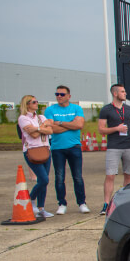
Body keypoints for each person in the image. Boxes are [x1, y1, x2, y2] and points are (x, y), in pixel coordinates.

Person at [44, 85, 89, 215]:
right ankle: (62, 203)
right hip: (57, 148)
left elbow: (79, 125)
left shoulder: (76, 108)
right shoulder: (50, 110)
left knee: (78, 177)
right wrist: (70, 124)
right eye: (57, 94)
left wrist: (61, 123)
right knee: (59, 177)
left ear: (69, 96)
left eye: (62, 94)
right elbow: (52, 129)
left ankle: (82, 203)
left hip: (74, 147)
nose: (59, 96)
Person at [98, 83, 130, 215]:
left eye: (125, 91)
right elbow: (101, 130)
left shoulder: (129, 109)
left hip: (129, 145)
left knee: (128, 174)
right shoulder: (106, 110)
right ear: (115, 93)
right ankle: (106, 204)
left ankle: (125, 202)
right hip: (114, 146)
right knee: (110, 175)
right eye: (123, 91)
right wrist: (116, 129)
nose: (125, 93)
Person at [17, 95, 54, 218]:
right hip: (32, 150)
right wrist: (42, 127)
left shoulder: (41, 117)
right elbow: (31, 135)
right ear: (27, 104)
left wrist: (38, 129)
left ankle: (41, 208)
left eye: (37, 101)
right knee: (44, 179)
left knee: (43, 181)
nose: (36, 104)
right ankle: (31, 199)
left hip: (45, 149)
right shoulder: (22, 118)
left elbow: (50, 131)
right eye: (33, 102)